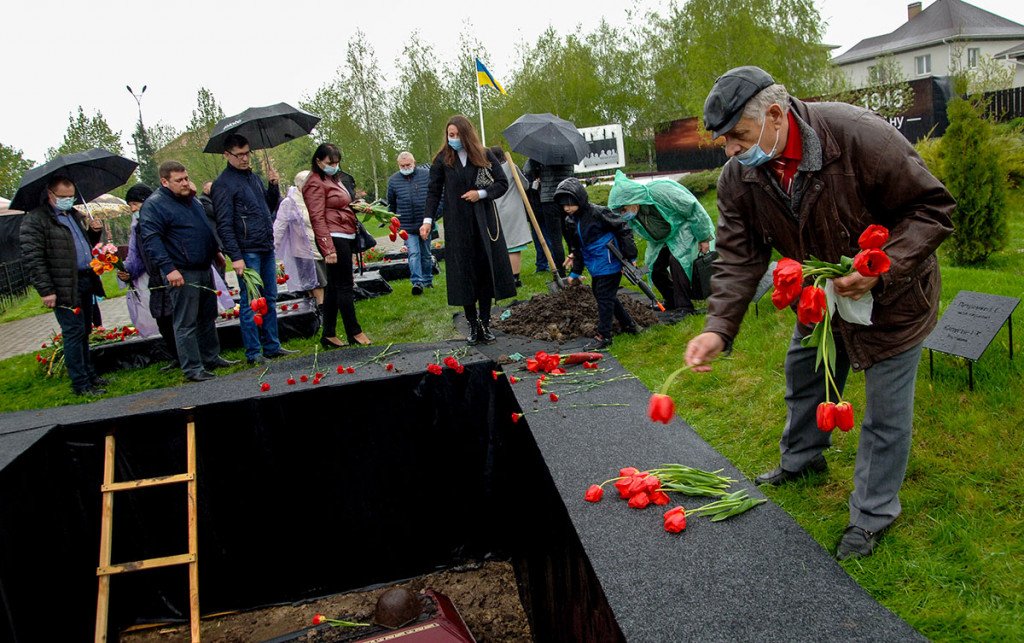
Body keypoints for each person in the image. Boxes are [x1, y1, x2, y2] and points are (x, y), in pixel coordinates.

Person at [684, 66, 955, 560]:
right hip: (821, 298)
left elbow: (933, 209)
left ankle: (872, 515)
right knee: (805, 373)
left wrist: (882, 267)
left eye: (737, 137)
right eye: (723, 142)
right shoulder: (740, 175)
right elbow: (739, 256)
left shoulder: (858, 136)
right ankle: (803, 459)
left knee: (885, 414)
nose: (730, 152)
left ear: (774, 114)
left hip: (892, 300)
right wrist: (719, 327)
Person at [422, 116, 513, 345]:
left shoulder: (483, 154)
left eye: (457, 135)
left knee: (484, 270)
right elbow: (434, 192)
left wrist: (480, 194)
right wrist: (427, 220)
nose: (453, 139)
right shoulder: (443, 160)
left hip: (483, 221)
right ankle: (472, 323)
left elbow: (502, 183)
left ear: (466, 134)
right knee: (465, 272)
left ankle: (485, 321)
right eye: (450, 135)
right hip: (457, 224)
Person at [140, 161, 234, 382]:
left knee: (207, 315)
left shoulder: (191, 200)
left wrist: (214, 252)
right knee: (186, 321)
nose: (185, 183)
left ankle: (211, 357)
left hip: (203, 266)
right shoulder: (155, 205)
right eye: (179, 180)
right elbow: (152, 240)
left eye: (186, 178)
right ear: (164, 181)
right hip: (181, 270)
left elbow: (203, 228)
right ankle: (192, 367)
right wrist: (168, 269)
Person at [212, 133, 296, 365]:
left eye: (247, 153)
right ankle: (253, 352)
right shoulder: (223, 185)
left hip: (265, 245)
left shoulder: (253, 178)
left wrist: (273, 184)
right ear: (227, 155)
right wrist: (235, 256)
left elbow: (268, 207)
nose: (244, 159)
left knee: (269, 297)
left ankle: (272, 345)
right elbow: (224, 224)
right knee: (251, 302)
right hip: (246, 250)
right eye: (238, 155)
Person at [21, 176, 108, 395]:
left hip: (85, 278)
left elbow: (83, 247)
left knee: (86, 330)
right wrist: (46, 290)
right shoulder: (37, 220)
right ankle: (80, 384)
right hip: (62, 285)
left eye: (71, 197)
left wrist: (94, 232)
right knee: (74, 332)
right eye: (63, 197)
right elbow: (33, 258)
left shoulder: (74, 215)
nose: (68, 201)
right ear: (50, 195)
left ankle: (90, 375)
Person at [607, 170, 715, 314]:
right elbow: (625, 235)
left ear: (633, 199)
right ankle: (671, 300)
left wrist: (704, 237)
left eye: (623, 209)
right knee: (655, 268)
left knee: (677, 262)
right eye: (619, 211)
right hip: (660, 238)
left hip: (683, 228)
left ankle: (684, 306)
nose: (622, 213)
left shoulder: (661, 193)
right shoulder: (633, 215)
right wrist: (628, 257)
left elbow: (693, 209)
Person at [553, 178, 639, 349]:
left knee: (604, 296)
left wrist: (631, 256)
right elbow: (577, 248)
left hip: (609, 259)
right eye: (563, 205)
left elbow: (623, 227)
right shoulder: (570, 221)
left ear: (580, 199)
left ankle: (604, 335)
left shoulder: (598, 213)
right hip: (595, 263)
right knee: (604, 295)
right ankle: (629, 325)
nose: (566, 208)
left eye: (570, 203)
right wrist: (575, 273)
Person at [302, 143, 372, 348]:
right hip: (334, 237)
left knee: (332, 287)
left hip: (344, 232)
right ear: (318, 161)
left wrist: (357, 207)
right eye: (330, 162)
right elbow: (317, 216)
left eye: (337, 162)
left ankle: (329, 333)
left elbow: (340, 205)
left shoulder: (333, 179)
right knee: (344, 285)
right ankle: (354, 331)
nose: (334, 165)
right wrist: (328, 247)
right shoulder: (314, 183)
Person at [386, 151, 435, 295]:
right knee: (413, 253)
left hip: (424, 222)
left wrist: (431, 218)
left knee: (425, 254)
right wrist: (393, 221)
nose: (406, 167)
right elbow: (392, 203)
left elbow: (435, 197)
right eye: (403, 165)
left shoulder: (426, 176)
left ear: (414, 162)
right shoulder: (393, 180)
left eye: (408, 164)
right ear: (398, 165)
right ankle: (417, 282)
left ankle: (427, 280)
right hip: (406, 225)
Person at [277, 170, 327, 307]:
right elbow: (280, 226)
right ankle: (320, 310)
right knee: (314, 283)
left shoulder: (318, 198)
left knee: (320, 280)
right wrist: (273, 248)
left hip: (321, 245)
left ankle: (319, 309)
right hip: (303, 249)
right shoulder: (289, 203)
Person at [488, 146, 533, 287]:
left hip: (495, 209)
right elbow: (525, 185)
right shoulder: (510, 166)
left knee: (501, 245)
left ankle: (503, 276)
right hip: (512, 210)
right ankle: (514, 278)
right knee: (514, 246)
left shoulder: (488, 170)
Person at [523, 157, 573, 274]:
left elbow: (527, 169)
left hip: (548, 199)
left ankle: (560, 271)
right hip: (566, 196)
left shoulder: (540, 154)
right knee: (570, 235)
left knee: (555, 239)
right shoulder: (567, 152)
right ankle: (575, 267)